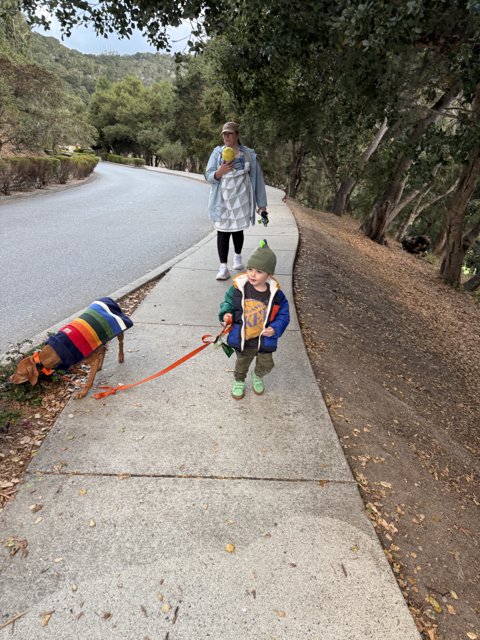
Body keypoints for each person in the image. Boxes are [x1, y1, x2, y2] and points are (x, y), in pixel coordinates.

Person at [218, 240, 290, 399]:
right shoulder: (238, 289)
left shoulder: (276, 295)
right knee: (242, 362)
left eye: (258, 271)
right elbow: (227, 303)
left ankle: (258, 375)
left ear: (269, 274)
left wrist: (275, 328)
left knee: (266, 363)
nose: (252, 274)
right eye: (250, 269)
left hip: (264, 339)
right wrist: (226, 314)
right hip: (244, 338)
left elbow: (284, 315)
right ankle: (239, 380)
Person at [205, 121, 268, 281]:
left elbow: (258, 180)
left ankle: (238, 256)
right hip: (222, 199)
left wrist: (262, 206)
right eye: (224, 134)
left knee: (237, 230)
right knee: (222, 230)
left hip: (241, 198)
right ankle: (223, 267)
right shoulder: (217, 153)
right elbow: (209, 175)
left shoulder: (249, 155)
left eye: (230, 134)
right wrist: (219, 172)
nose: (226, 137)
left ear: (237, 135)